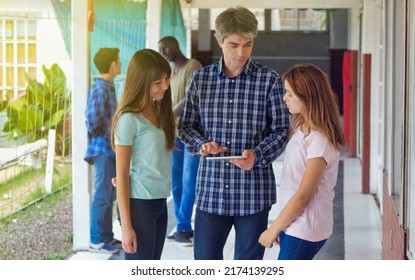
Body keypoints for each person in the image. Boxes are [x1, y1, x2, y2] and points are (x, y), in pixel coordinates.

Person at [178, 6, 290, 260]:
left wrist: (257, 155)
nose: (241, 53)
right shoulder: (200, 80)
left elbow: (282, 130)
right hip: (211, 192)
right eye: (233, 45)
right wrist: (202, 144)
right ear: (219, 41)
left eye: (247, 45)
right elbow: (185, 126)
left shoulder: (269, 80)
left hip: (254, 195)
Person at [258, 63, 346, 260]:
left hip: (305, 227)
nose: (284, 98)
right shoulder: (302, 128)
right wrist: (285, 225)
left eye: (289, 94)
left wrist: (275, 228)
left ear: (307, 95)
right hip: (295, 224)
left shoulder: (319, 140)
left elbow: (304, 195)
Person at [111, 49, 175, 260]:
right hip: (139, 205)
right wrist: (126, 226)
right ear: (141, 81)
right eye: (158, 82)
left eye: (166, 79)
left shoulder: (159, 111)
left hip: (159, 201)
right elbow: (121, 174)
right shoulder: (128, 119)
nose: (165, 86)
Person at [158, 36, 203, 244]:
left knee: (188, 181)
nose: (163, 52)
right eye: (160, 50)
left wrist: (166, 116)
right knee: (175, 182)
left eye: (165, 47)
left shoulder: (193, 66)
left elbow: (190, 98)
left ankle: (184, 227)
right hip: (174, 135)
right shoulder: (171, 73)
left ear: (175, 45)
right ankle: (182, 224)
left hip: (191, 135)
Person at [84, 47, 121, 254]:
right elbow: (92, 120)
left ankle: (106, 236)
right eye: (118, 61)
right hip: (103, 150)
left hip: (109, 150)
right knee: (103, 194)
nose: (120, 64)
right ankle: (96, 239)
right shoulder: (100, 89)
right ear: (112, 64)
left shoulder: (107, 87)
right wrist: (106, 134)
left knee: (109, 194)